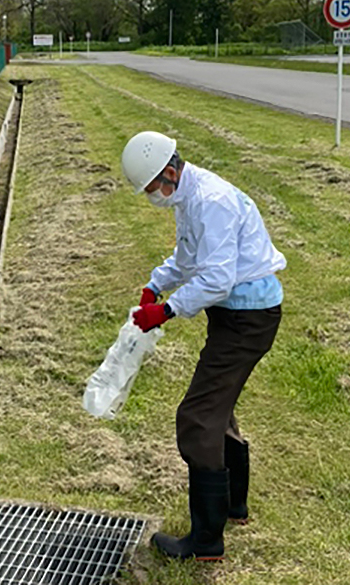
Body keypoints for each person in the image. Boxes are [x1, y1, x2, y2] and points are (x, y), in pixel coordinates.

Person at [121, 131, 286, 561]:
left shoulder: (211, 201)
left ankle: (206, 540)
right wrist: (155, 285)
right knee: (219, 405)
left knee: (197, 417)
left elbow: (217, 278)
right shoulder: (188, 197)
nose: (152, 197)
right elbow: (187, 258)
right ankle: (234, 505)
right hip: (237, 315)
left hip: (248, 318)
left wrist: (168, 310)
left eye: (152, 188)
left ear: (170, 172)